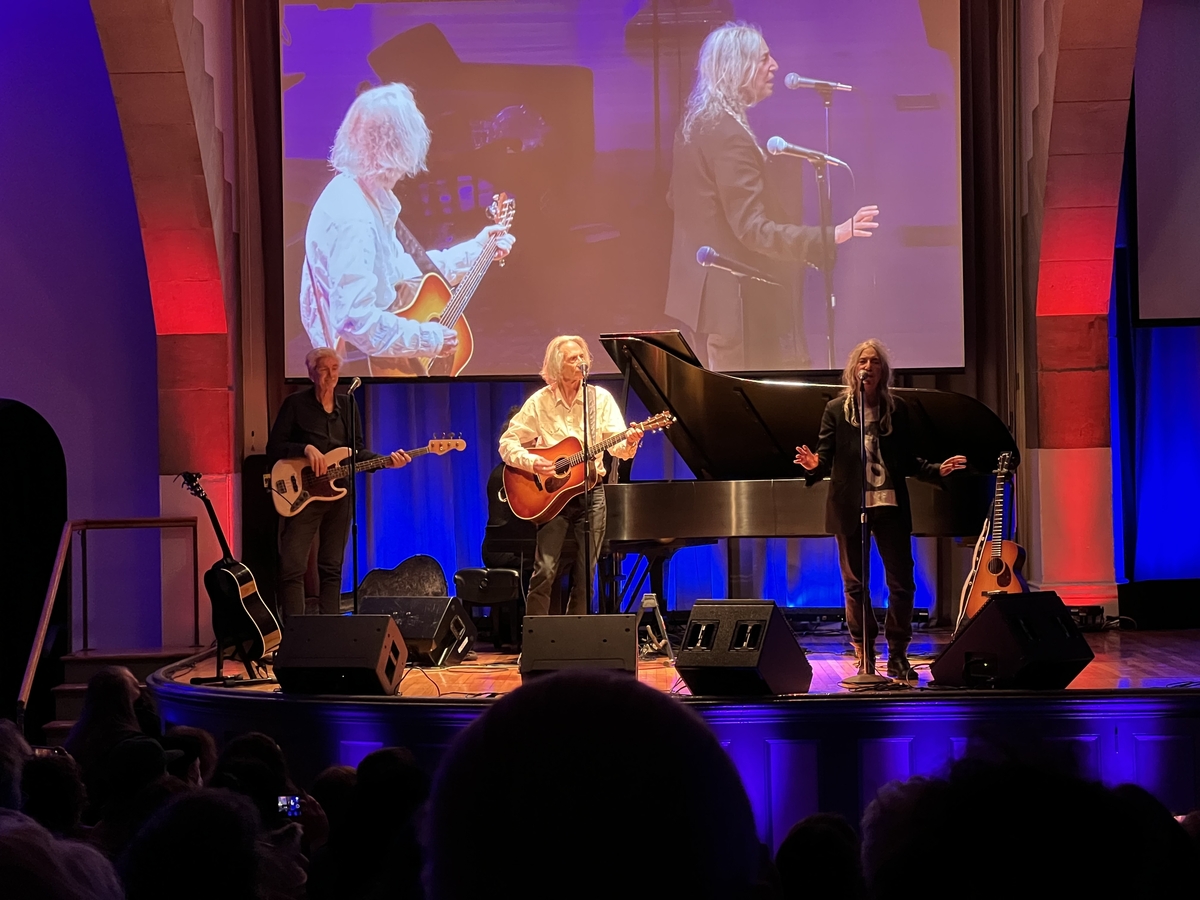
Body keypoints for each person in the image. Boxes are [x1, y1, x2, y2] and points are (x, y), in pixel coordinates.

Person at [665, 22, 879, 371]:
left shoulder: (696, 125)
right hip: (733, 305)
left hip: (703, 300)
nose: (775, 66)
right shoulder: (729, 135)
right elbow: (752, 229)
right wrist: (831, 235)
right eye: (764, 58)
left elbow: (676, 199)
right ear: (738, 68)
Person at [299, 83, 515, 376]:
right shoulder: (354, 217)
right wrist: (428, 339)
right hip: (360, 373)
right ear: (399, 146)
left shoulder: (368, 196)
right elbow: (356, 321)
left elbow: (400, 273)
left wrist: (475, 252)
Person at [794, 339, 966, 679]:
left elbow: (908, 460)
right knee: (855, 585)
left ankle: (899, 654)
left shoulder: (896, 409)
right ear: (853, 370)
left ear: (883, 371)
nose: (868, 367)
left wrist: (937, 470)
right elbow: (824, 457)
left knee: (902, 583)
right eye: (863, 361)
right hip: (849, 506)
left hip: (890, 507)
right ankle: (865, 652)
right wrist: (814, 465)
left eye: (874, 362)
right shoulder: (836, 410)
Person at [498, 336, 642, 616]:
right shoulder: (539, 402)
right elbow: (507, 443)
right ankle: (536, 634)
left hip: (591, 494)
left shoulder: (600, 399)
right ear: (557, 365)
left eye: (582, 356)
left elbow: (618, 448)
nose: (581, 362)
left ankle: (578, 634)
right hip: (552, 497)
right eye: (573, 358)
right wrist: (533, 462)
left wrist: (631, 441)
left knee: (586, 572)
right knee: (545, 569)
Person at [267, 347, 410, 619]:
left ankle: (329, 630)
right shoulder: (295, 405)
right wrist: (305, 449)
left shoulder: (348, 405)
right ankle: (297, 633)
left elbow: (357, 452)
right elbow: (274, 447)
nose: (330, 375)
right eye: (323, 369)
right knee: (292, 566)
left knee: (331, 567)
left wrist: (386, 462)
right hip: (303, 495)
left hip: (339, 496)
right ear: (311, 373)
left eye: (334, 369)